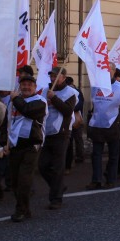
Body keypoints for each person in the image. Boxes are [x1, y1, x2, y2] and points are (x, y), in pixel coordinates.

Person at [6, 74, 46, 222]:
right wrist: (6, 142)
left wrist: (15, 99)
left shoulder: (40, 101)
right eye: (23, 85)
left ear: (35, 87)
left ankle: (21, 209)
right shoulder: (14, 102)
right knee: (15, 180)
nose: (26, 87)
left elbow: (28, 110)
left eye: (30, 85)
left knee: (24, 179)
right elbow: (9, 122)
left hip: (31, 145)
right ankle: (25, 208)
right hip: (16, 144)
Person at [38, 67, 77, 210]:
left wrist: (54, 98)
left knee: (57, 167)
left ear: (64, 77)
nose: (53, 79)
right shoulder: (44, 91)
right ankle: (58, 186)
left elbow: (67, 111)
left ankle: (56, 198)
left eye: (56, 76)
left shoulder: (71, 93)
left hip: (61, 132)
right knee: (42, 165)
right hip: (46, 132)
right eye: (52, 77)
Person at [86, 71, 120, 189]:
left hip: (113, 125)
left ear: (113, 73)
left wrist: (117, 119)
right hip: (97, 125)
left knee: (113, 155)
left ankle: (111, 180)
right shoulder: (96, 85)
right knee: (96, 155)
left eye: (107, 71)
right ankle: (96, 180)